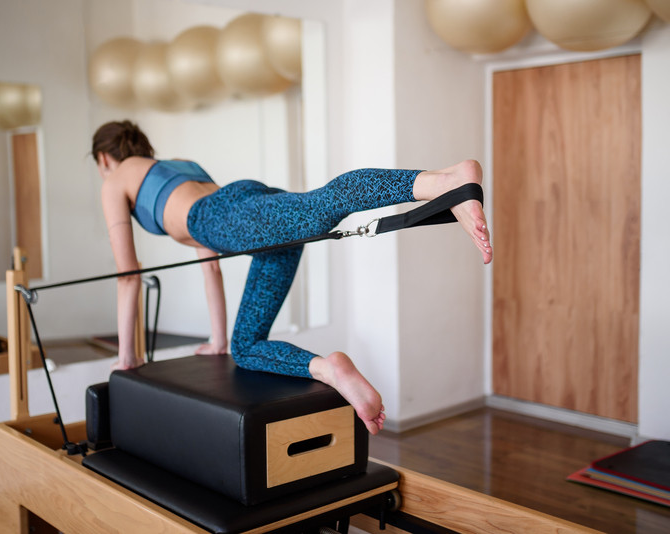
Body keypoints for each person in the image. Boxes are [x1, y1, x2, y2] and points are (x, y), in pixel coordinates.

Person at [91, 120, 492, 435]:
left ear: (104, 158)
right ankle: (330, 369)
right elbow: (209, 262)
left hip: (229, 219)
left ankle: (444, 181)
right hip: (248, 207)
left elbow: (128, 275)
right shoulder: (179, 165)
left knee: (322, 205)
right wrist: (219, 341)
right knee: (246, 347)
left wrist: (127, 359)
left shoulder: (116, 178)